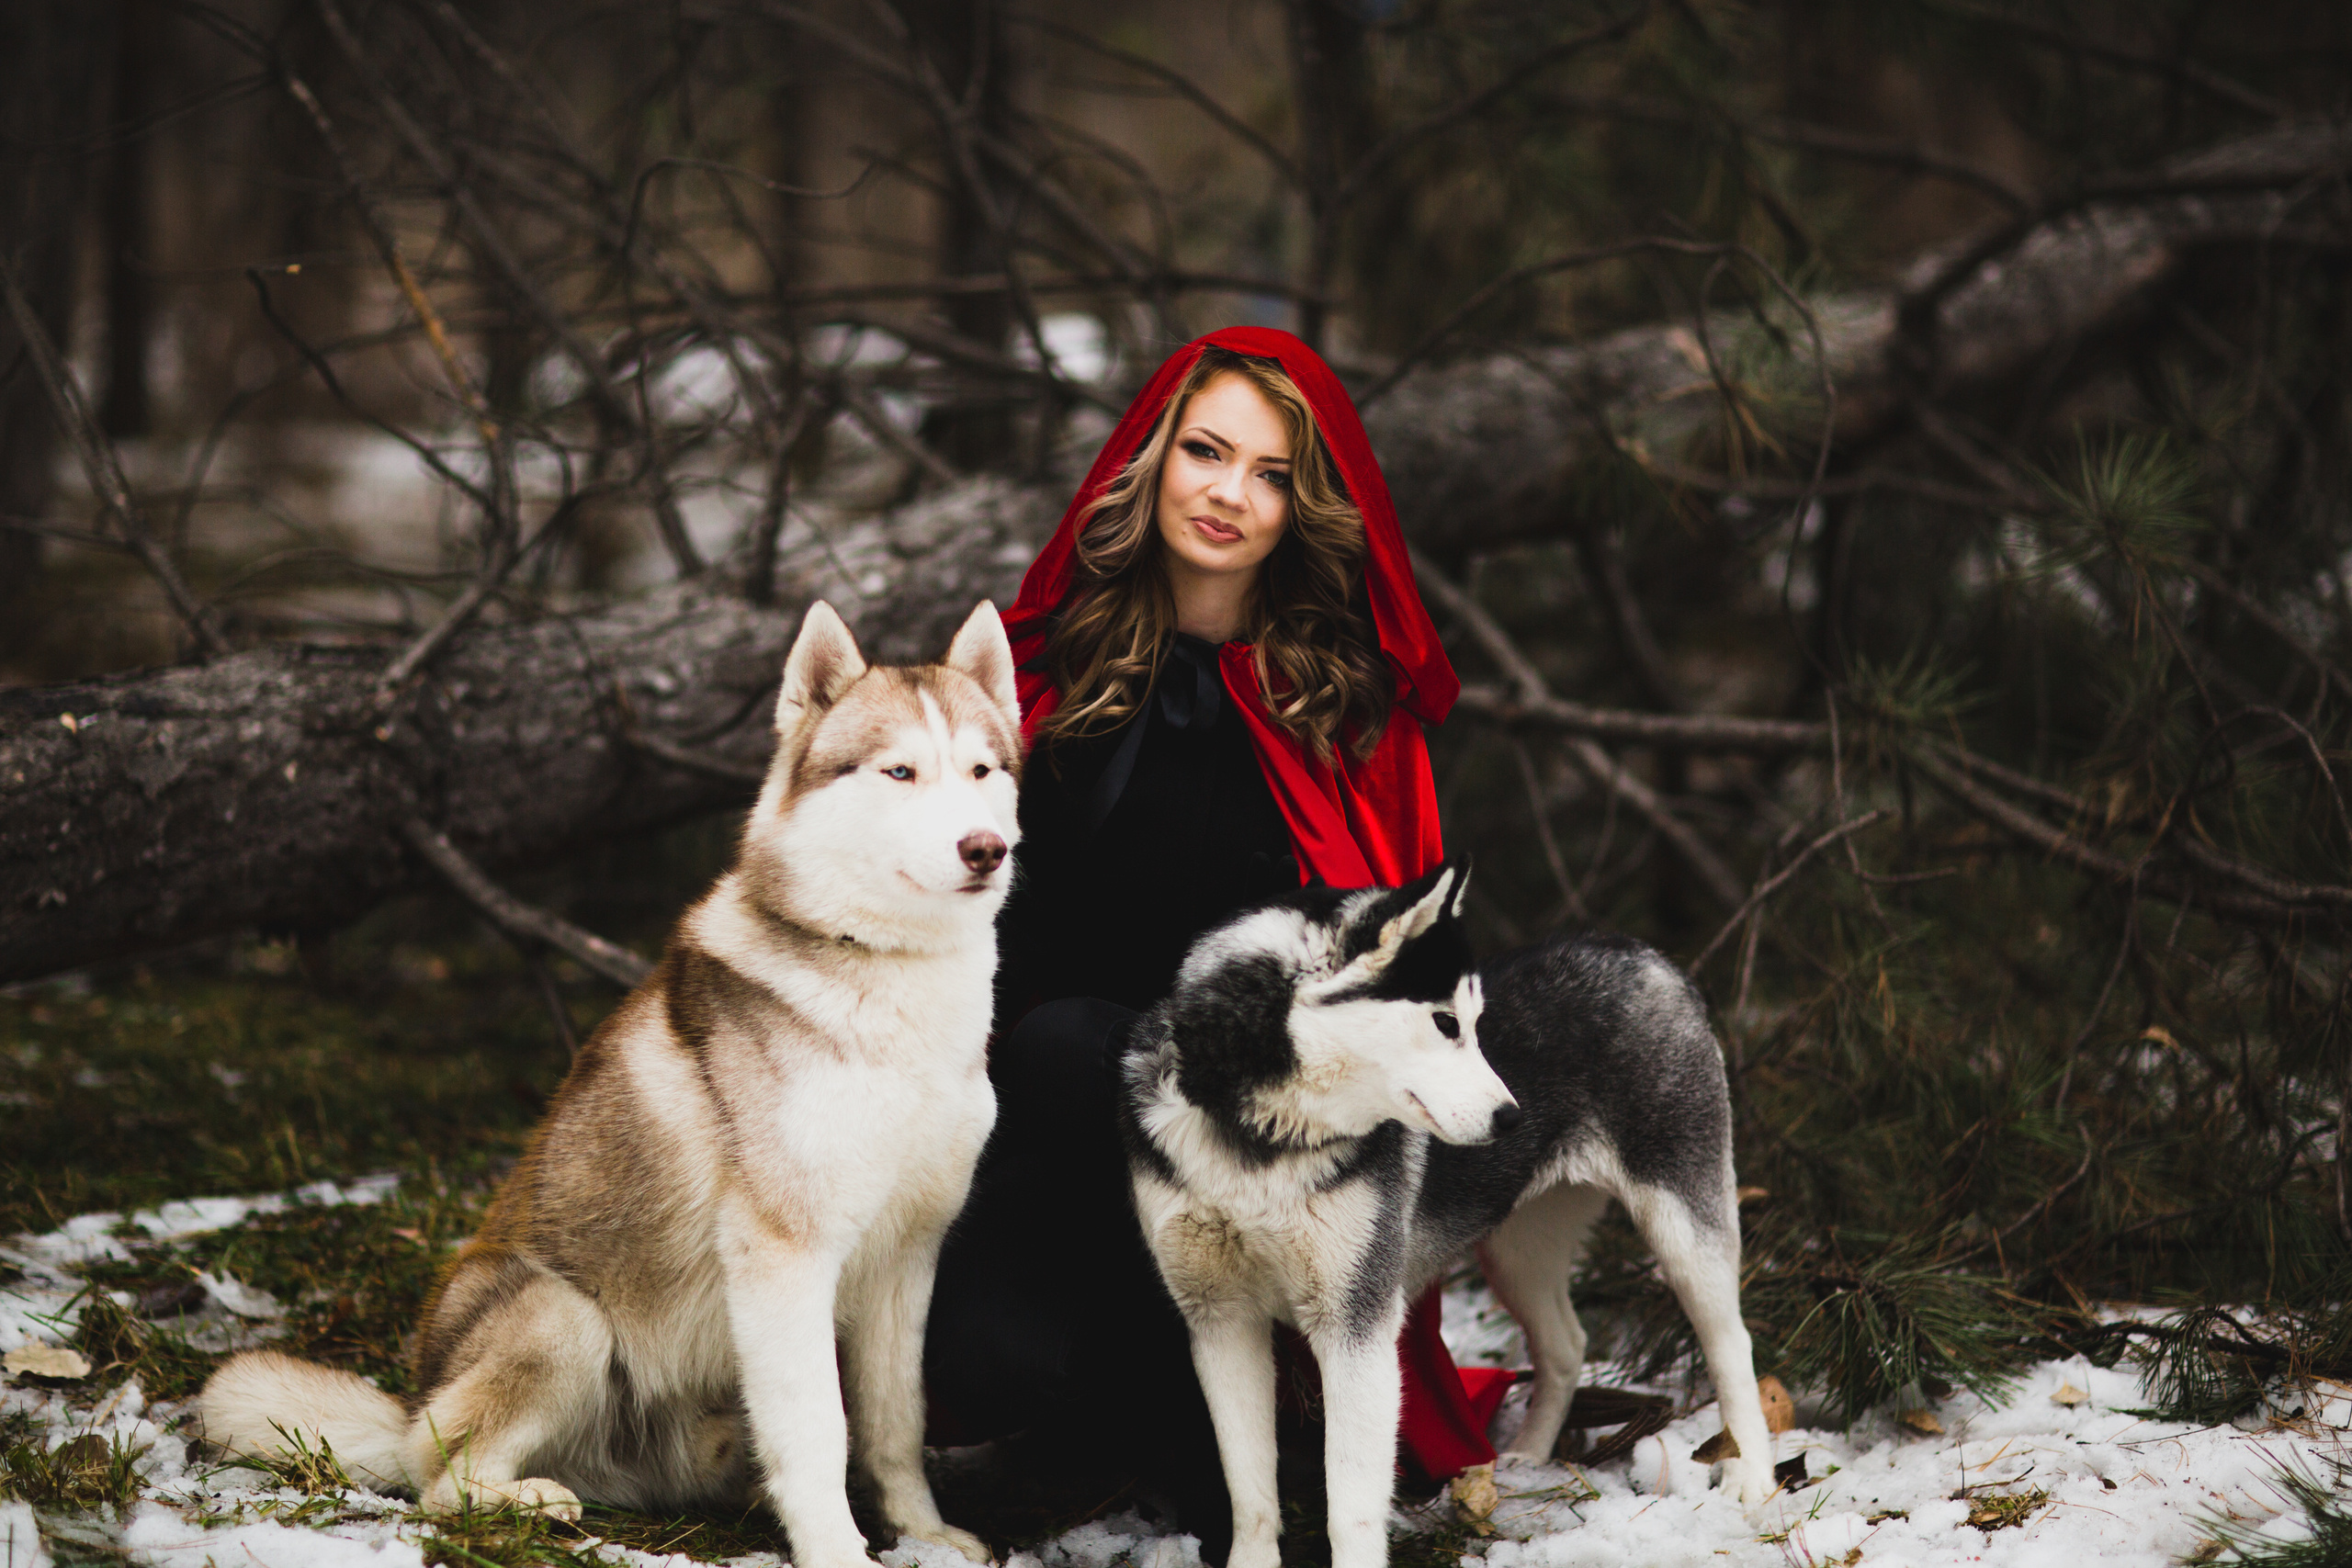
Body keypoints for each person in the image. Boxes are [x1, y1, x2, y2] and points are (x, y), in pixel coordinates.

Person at [922, 328, 1513, 1547]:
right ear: (1152, 458)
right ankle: (1124, 1408)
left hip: (1258, 1152)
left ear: (1306, 507)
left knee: (1097, 1056)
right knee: (983, 1358)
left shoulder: (1347, 715)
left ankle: (1206, 1432)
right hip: (1047, 1135)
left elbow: (1388, 992)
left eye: (1271, 474)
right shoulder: (1045, 672)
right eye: (1206, 451)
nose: (1229, 493)